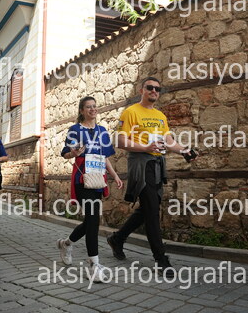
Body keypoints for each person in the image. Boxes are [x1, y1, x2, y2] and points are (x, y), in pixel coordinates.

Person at [107, 77, 196, 278]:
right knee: (153, 211)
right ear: (142, 90)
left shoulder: (160, 116)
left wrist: (184, 150)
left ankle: (117, 238)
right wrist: (146, 147)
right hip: (141, 164)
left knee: (148, 208)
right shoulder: (131, 112)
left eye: (157, 88)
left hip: (157, 165)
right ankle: (160, 259)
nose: (154, 91)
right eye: (150, 87)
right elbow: (120, 141)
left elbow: (169, 141)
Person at [57, 96, 123, 282]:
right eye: (88, 107)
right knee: (93, 219)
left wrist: (115, 175)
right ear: (82, 110)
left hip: (98, 180)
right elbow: (65, 154)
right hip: (82, 179)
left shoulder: (102, 131)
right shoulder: (75, 130)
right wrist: (74, 153)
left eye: (94, 106)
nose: (93, 109)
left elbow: (105, 157)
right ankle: (93, 265)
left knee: (91, 221)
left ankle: (66, 244)